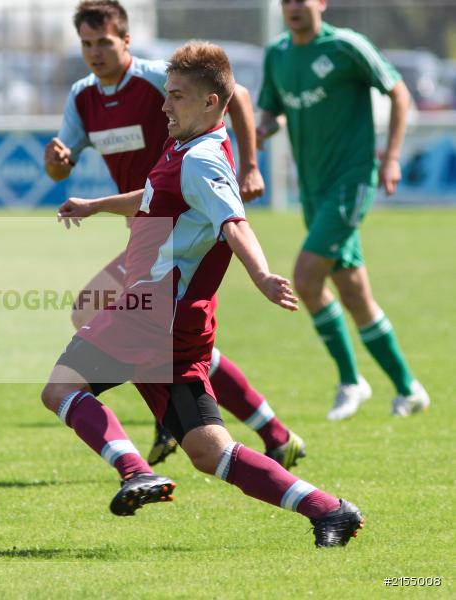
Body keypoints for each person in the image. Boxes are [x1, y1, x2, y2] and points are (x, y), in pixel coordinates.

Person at [44, 40, 364, 547]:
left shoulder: (203, 161)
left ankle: (135, 472)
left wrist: (260, 275)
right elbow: (154, 197)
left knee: (62, 389)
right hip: (176, 325)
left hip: (153, 315)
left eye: (175, 96)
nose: (164, 105)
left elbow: (234, 224)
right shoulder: (187, 145)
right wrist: (97, 205)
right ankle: (329, 509)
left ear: (210, 101)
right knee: (208, 450)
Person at [45, 0, 305, 469]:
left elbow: (236, 95)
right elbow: (58, 169)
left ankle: (187, 433)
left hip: (176, 234)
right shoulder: (82, 96)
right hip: (145, 232)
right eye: (86, 44)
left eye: (104, 42)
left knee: (112, 318)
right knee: (167, 337)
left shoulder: (157, 82)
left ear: (125, 40)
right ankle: (270, 430)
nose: (95, 53)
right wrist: (59, 162)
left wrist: (249, 166)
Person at [256, 0, 429, 420]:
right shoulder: (277, 54)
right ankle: (409, 389)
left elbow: (398, 91)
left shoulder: (347, 46)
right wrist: (256, 131)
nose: (294, 7)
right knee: (353, 292)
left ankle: (351, 381)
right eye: (287, 1)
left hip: (351, 182)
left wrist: (390, 157)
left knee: (305, 278)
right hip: (312, 192)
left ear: (321, 2)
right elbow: (272, 111)